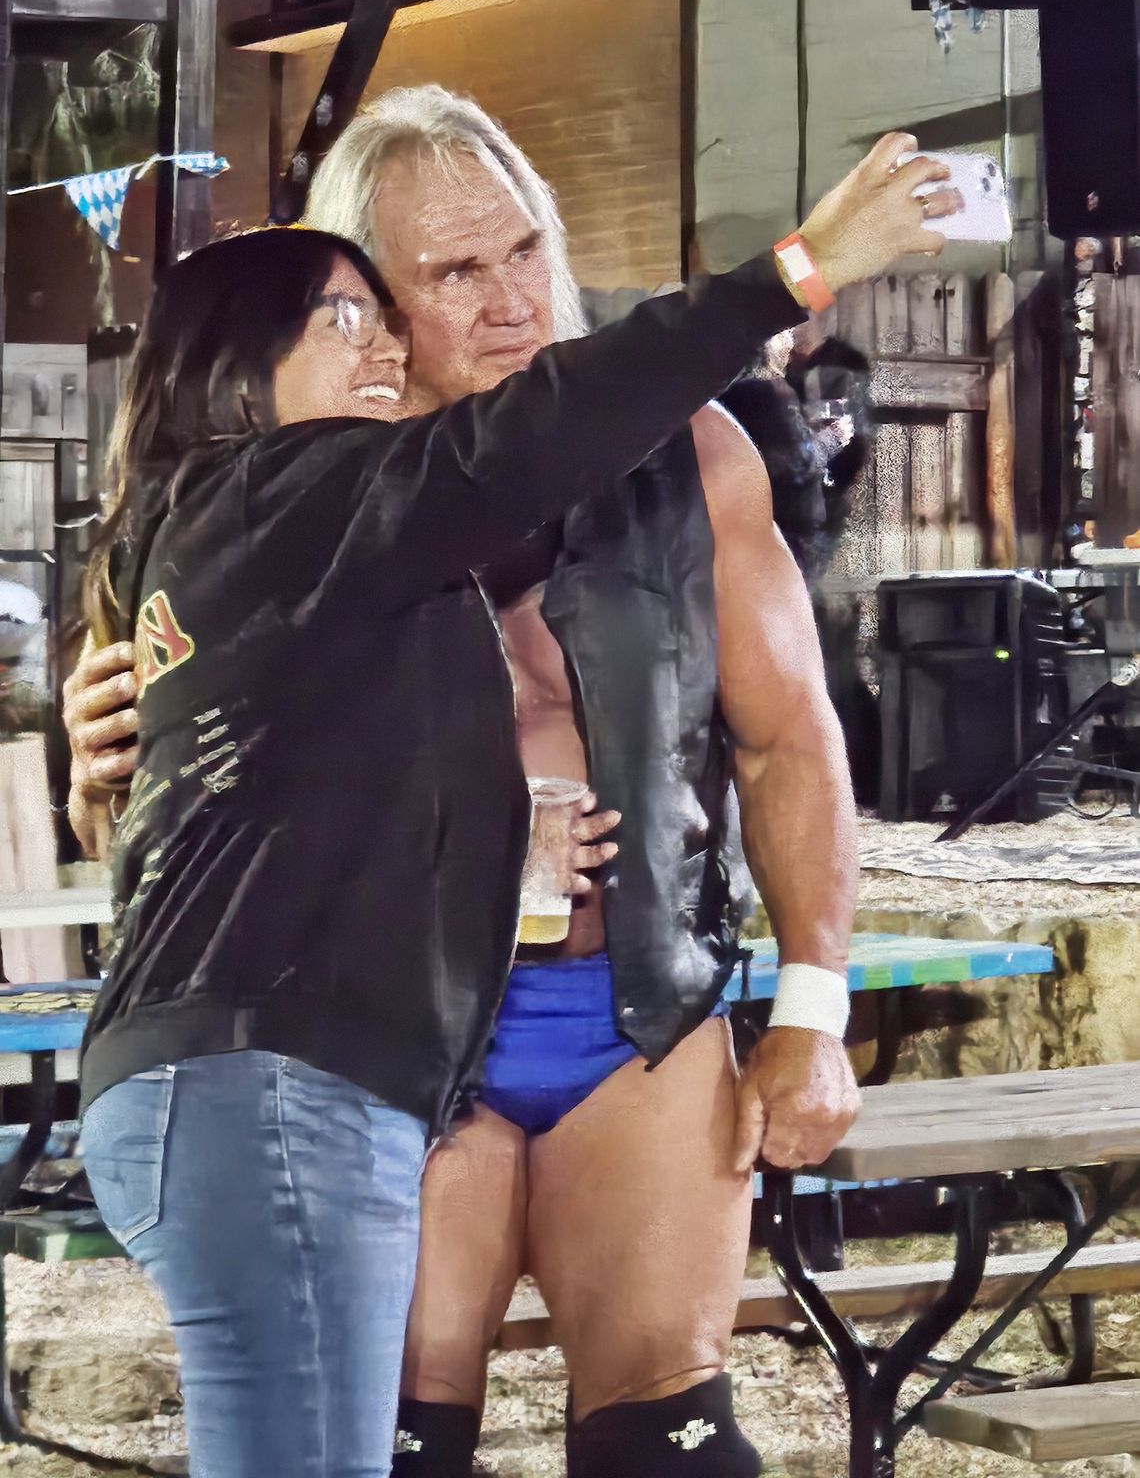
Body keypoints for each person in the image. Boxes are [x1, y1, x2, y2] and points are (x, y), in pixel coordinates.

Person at [66, 105, 958, 1478]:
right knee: (390, 1432)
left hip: (633, 1004)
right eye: (453, 275)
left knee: (674, 1432)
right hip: (394, 1029)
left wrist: (813, 1009)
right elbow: (148, 820)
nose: (514, 299)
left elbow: (792, 742)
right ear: (360, 302)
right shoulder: (301, 485)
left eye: (529, 247)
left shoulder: (691, 456)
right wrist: (93, 756)